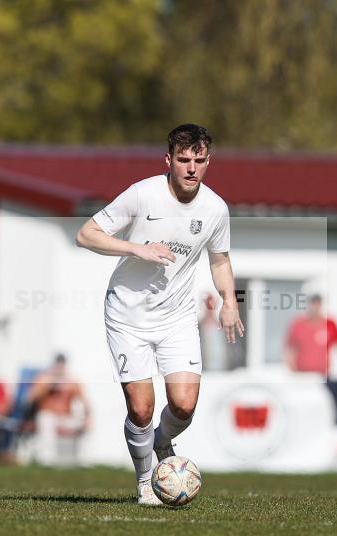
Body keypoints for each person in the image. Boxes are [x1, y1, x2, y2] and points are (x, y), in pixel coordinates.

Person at [76, 124, 244, 506]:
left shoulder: (215, 209)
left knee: (183, 405)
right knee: (141, 408)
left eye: (199, 160)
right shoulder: (142, 194)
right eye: (183, 160)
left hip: (177, 318)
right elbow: (86, 234)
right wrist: (138, 248)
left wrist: (230, 302)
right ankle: (144, 481)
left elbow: (220, 259)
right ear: (168, 160)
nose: (191, 168)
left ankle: (162, 441)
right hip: (127, 315)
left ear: (208, 162)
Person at [284, 293, 337, 426]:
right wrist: (290, 369)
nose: (315, 307)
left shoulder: (330, 324)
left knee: (336, 399)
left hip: (323, 376)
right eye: (313, 304)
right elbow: (289, 349)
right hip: (303, 378)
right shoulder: (298, 324)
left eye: (318, 304)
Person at [26, 353, 89, 466]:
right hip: (48, 415)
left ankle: (81, 461)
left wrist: (87, 418)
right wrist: (47, 386)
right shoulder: (43, 379)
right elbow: (30, 398)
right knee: (46, 420)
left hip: (65, 417)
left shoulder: (72, 382)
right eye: (57, 365)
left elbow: (84, 401)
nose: (59, 368)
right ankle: (47, 461)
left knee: (83, 424)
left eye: (62, 365)